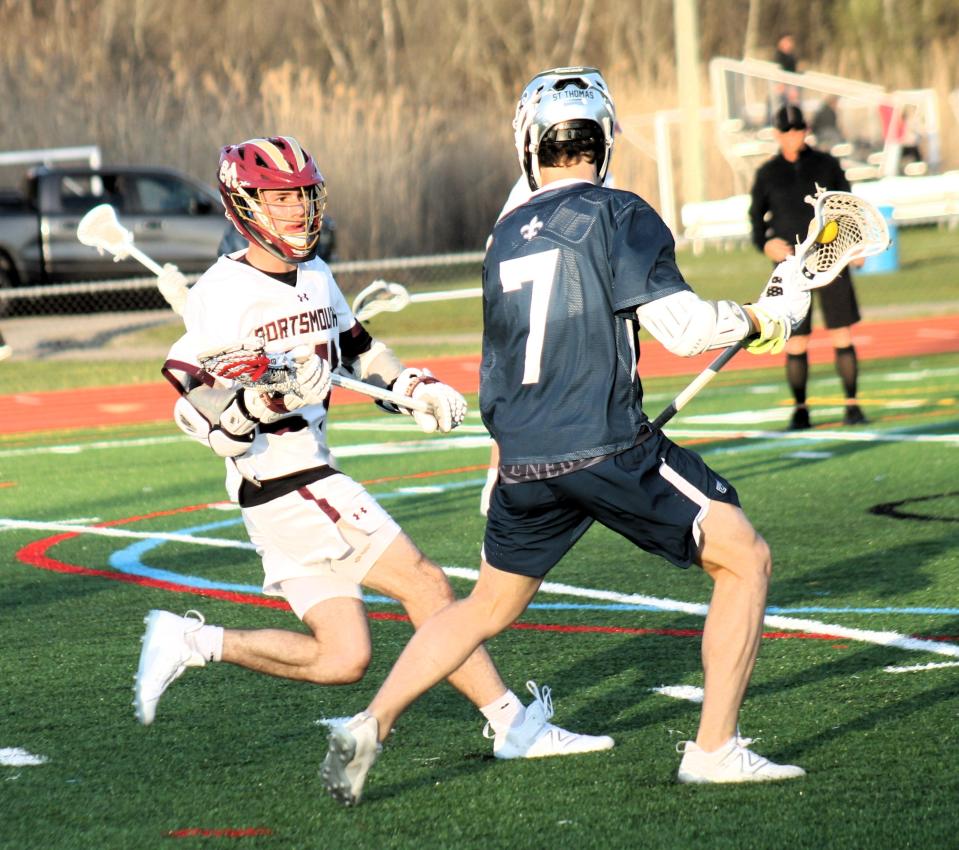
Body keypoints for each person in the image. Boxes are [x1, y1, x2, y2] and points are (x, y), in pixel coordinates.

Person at [322, 68, 810, 806]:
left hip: (525, 455)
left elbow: (507, 355)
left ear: (529, 143)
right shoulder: (619, 211)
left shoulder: (503, 236)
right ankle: (714, 750)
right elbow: (681, 330)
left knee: (486, 606)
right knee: (745, 559)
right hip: (606, 445)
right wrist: (762, 314)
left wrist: (505, 455)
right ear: (604, 137)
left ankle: (371, 723)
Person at [134, 135, 613, 764]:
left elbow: (358, 347)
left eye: (304, 197)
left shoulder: (315, 273)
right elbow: (192, 394)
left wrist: (410, 384)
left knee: (342, 658)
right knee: (427, 586)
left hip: (293, 487)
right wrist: (264, 400)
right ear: (243, 206)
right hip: (289, 480)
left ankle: (194, 641)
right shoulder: (225, 290)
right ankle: (512, 725)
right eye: (280, 200)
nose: (298, 212)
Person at [750, 104, 867, 429]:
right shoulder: (767, 173)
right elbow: (756, 222)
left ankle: (852, 406)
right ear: (777, 134)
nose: (793, 136)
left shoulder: (826, 164)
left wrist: (853, 244)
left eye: (799, 129)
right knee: (796, 338)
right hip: (791, 267)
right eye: (787, 131)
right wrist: (766, 244)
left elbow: (847, 208)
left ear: (806, 131)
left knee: (841, 333)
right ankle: (801, 410)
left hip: (830, 257)